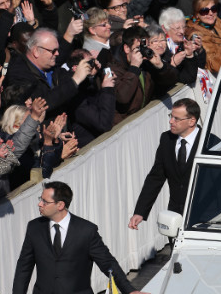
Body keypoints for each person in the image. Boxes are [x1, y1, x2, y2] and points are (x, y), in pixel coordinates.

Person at [12, 181, 146, 294]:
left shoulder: (86, 230)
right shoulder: (34, 228)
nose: (39, 204)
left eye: (45, 202)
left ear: (60, 205)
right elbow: (24, 266)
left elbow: (108, 263)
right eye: (40, 199)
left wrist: (129, 290)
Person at [129, 98, 202, 229]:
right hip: (174, 217)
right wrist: (140, 211)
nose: (171, 121)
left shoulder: (209, 143)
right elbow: (156, 177)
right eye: (171, 116)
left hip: (203, 217)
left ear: (192, 121)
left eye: (176, 119)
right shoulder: (166, 139)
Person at [186, 0, 221, 74]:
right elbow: (215, 66)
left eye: (213, 9)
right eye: (204, 11)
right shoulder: (195, 35)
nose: (211, 13)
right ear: (196, 14)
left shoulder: (217, 21)